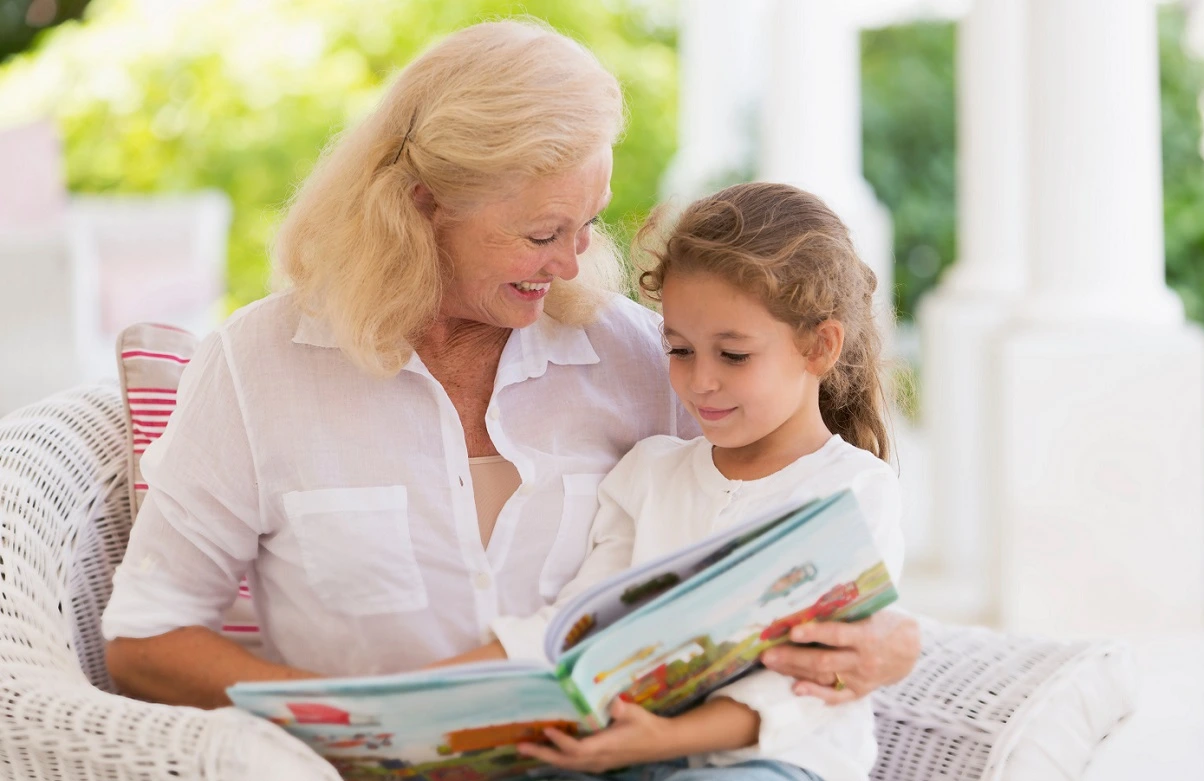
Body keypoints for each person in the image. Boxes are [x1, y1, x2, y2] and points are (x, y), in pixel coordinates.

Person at [100, 19, 919, 718]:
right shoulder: (258, 366)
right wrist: (335, 716)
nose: (571, 265)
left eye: (587, 225)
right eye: (541, 233)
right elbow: (145, 638)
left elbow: (796, 518)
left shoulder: (647, 358)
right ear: (424, 205)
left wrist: (892, 642)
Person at [441, 182, 901, 781]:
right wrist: (447, 694)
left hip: (776, 763)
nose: (700, 381)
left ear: (820, 346)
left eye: (733, 355)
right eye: (680, 350)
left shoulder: (851, 490)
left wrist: (661, 740)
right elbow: (578, 622)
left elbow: (805, 684)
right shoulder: (650, 472)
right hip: (635, 748)